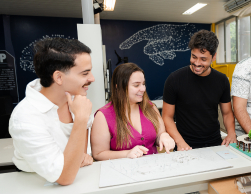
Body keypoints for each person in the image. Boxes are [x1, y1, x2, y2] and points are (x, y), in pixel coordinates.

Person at [9, 38, 94, 185]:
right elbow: (63, 177)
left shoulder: (76, 99)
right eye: (84, 73)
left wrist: (83, 153)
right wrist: (80, 119)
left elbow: (86, 128)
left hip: (82, 180)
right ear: (59, 77)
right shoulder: (25, 118)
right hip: (37, 187)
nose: (92, 78)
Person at [162, 30, 236, 150]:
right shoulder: (174, 79)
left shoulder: (221, 80)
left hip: (215, 144)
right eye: (194, 57)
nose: (197, 63)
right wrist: (179, 142)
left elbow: (227, 113)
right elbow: (167, 117)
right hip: (184, 144)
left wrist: (231, 133)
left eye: (203, 59)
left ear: (214, 57)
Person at [91, 63, 175, 160]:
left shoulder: (150, 107)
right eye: (136, 85)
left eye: (143, 84)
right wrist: (127, 154)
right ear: (118, 87)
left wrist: (164, 136)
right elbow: (98, 154)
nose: (143, 89)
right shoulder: (103, 116)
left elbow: (160, 133)